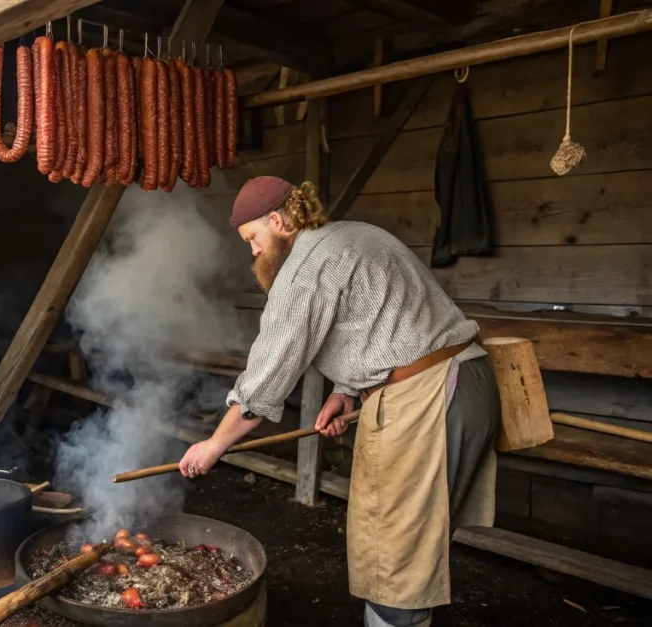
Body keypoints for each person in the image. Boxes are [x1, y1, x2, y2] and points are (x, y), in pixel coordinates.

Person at [178, 176, 500, 627]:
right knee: (410, 545)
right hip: (466, 379)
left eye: (253, 238)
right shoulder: (354, 234)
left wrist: (215, 444)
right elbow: (384, 319)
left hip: (428, 397)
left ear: (277, 221)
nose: (252, 251)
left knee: (399, 558)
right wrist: (346, 391)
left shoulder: (305, 267)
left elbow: (267, 378)